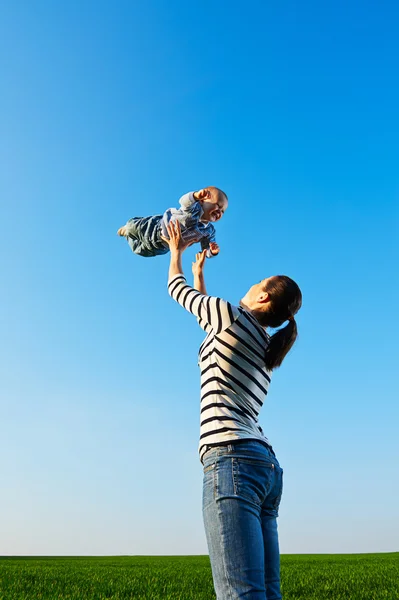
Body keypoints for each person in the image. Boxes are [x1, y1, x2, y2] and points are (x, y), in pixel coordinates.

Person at [163, 221, 302, 600]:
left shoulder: (232, 318)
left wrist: (175, 250)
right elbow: (209, 324)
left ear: (261, 299)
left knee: (240, 593)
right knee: (265, 593)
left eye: (258, 283)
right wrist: (200, 272)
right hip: (265, 468)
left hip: (233, 460)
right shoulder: (265, 348)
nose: (251, 285)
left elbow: (177, 291)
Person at [117, 186, 228, 258]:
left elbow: (206, 249)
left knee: (140, 251)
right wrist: (195, 196)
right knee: (133, 227)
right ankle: (126, 229)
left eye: (223, 211)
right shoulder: (193, 208)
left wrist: (212, 252)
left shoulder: (209, 231)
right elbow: (184, 201)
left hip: (163, 246)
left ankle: (127, 236)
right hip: (155, 228)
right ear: (202, 201)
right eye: (218, 205)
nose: (219, 211)